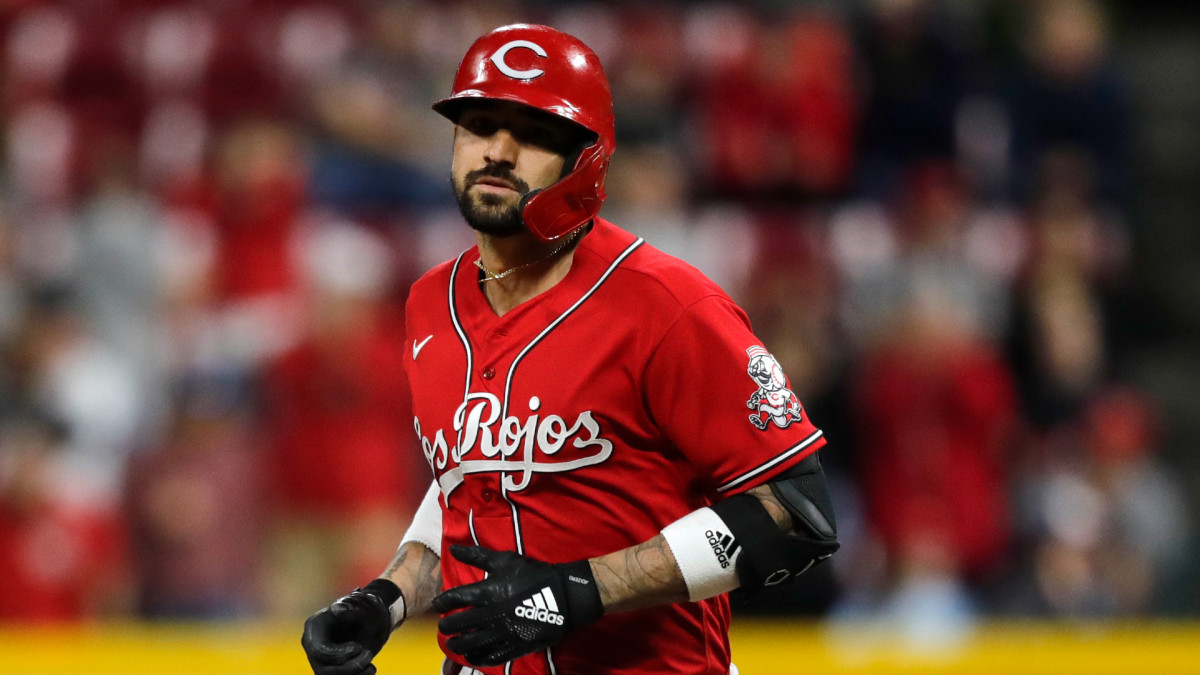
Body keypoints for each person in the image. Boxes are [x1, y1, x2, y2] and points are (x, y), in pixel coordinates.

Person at [301, 24, 839, 675]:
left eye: (532, 132)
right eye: (477, 125)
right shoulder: (427, 304)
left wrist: (577, 592)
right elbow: (471, 484)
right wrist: (385, 597)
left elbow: (796, 512)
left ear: (586, 157)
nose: (497, 151)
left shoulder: (668, 305)